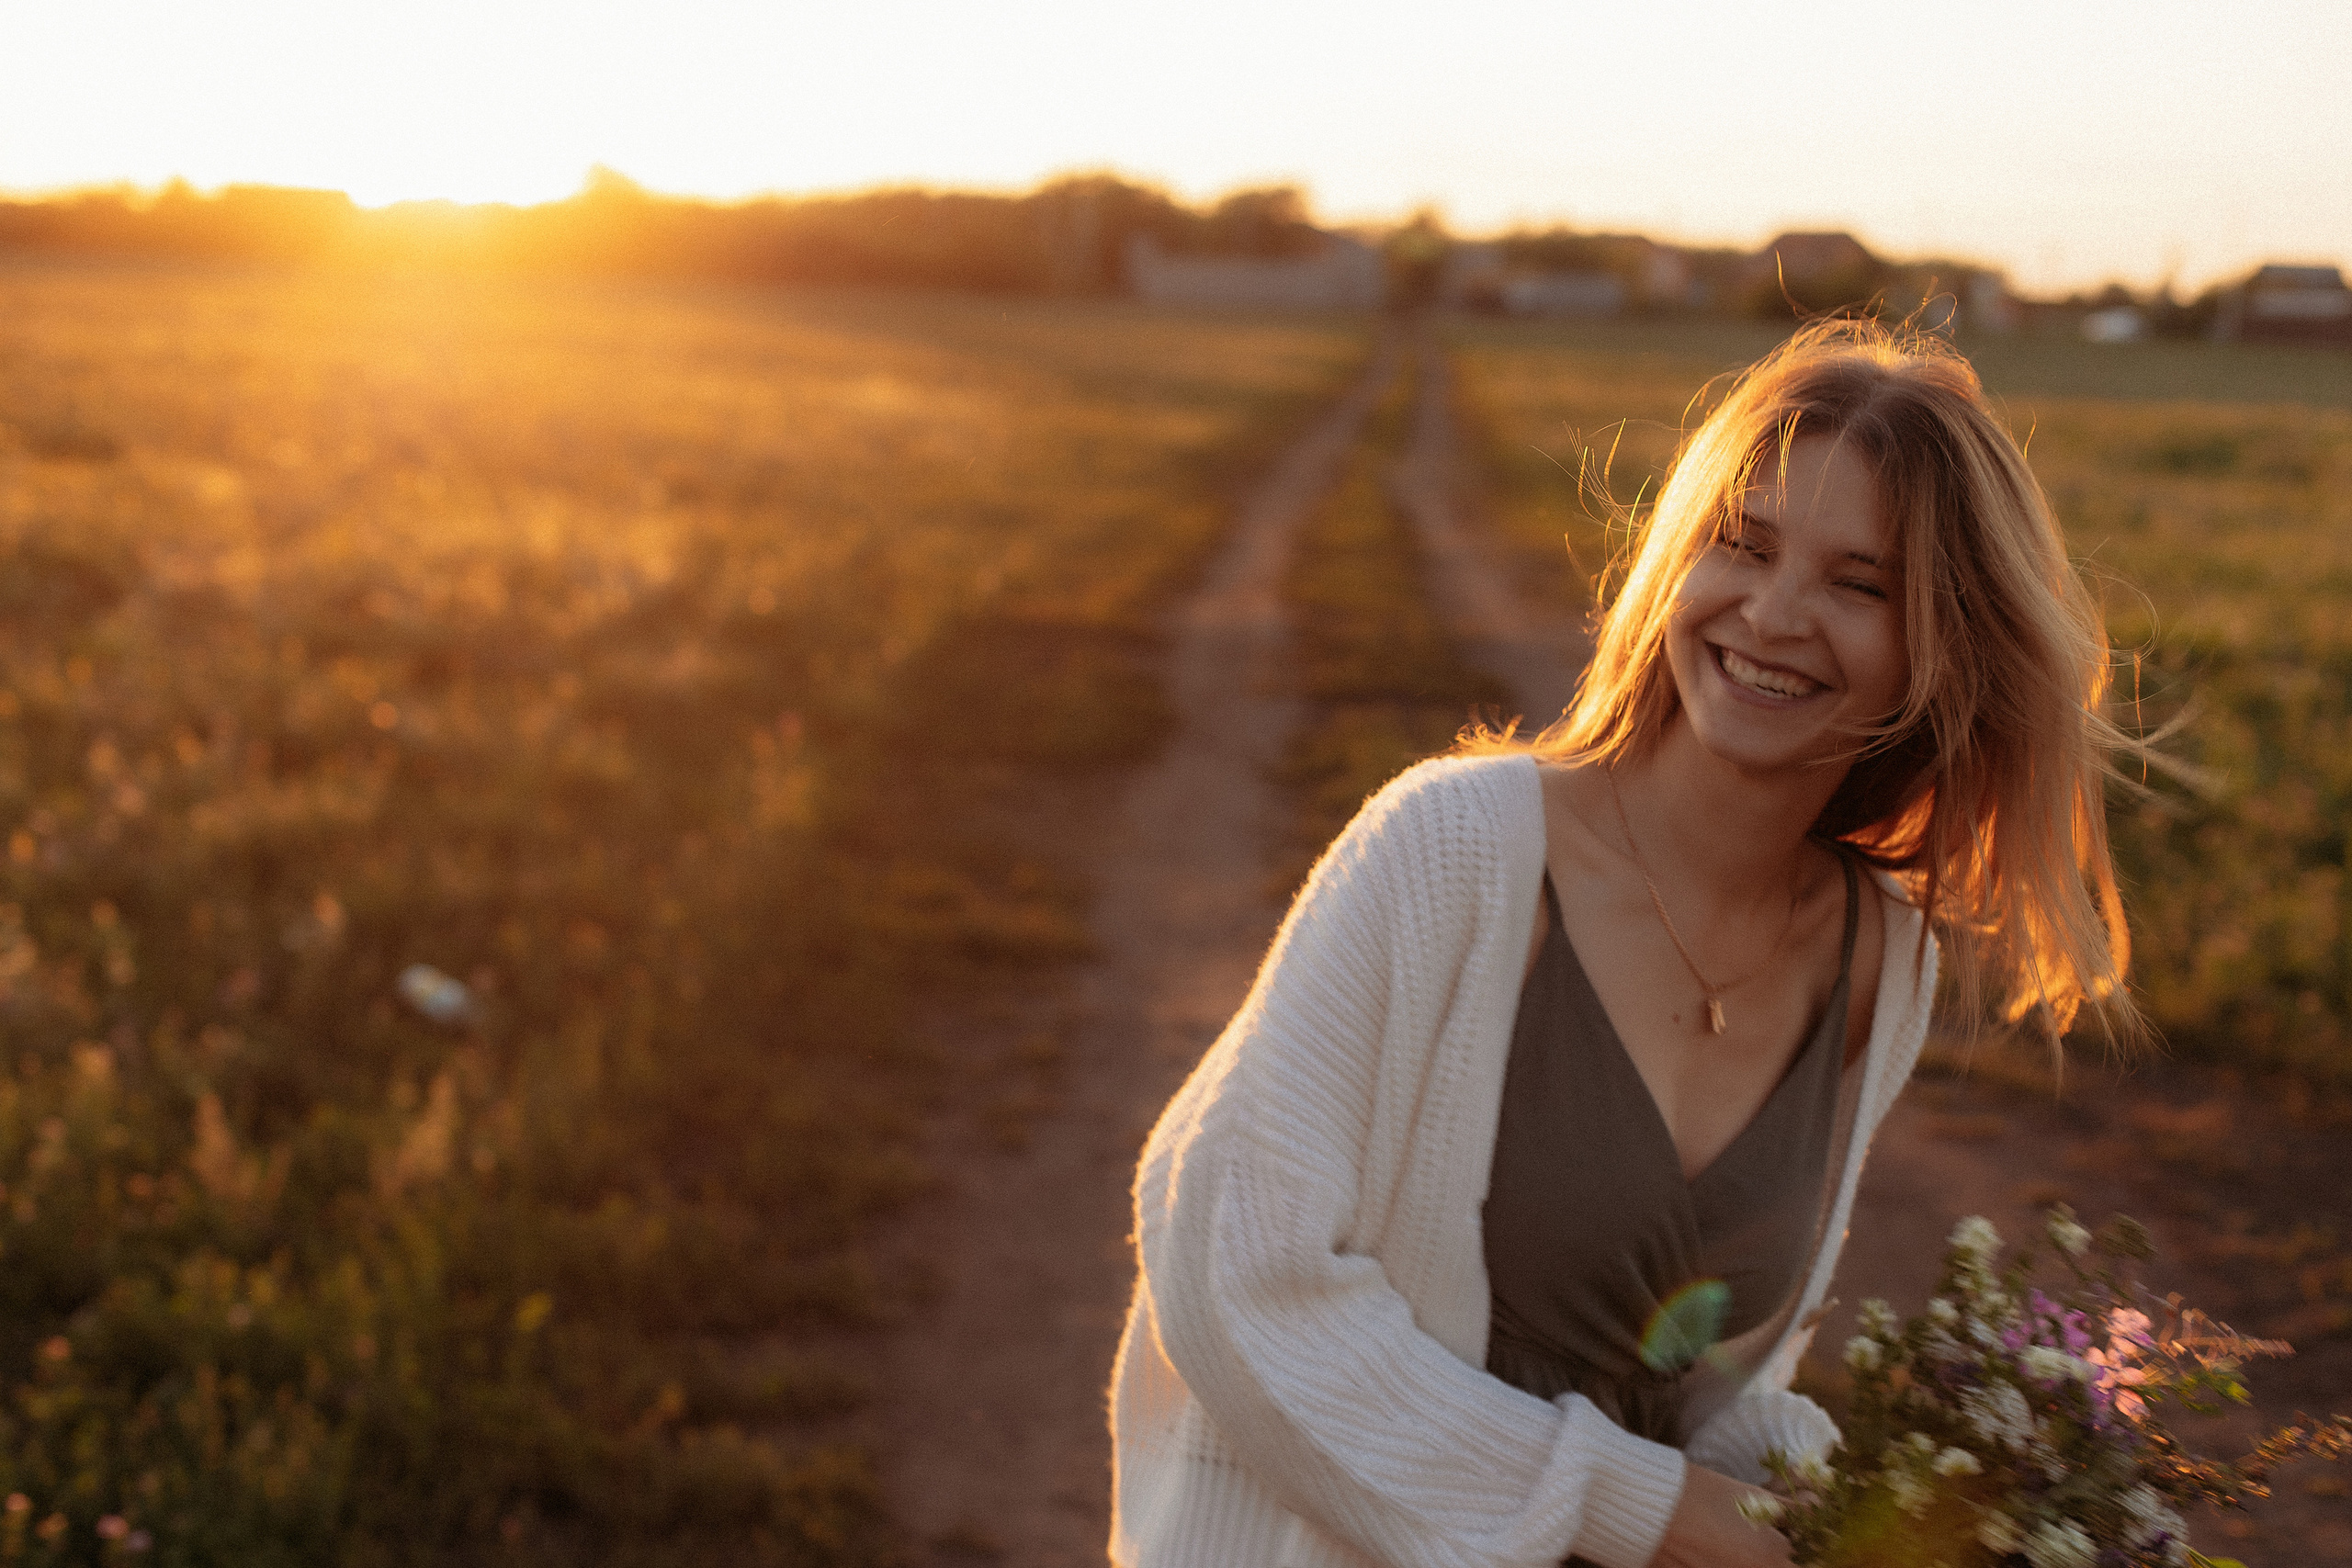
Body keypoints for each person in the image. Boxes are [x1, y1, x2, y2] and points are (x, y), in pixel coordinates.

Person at [1109, 320, 2144, 1568]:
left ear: (1943, 649)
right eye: (1743, 546)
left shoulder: (1884, 955)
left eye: (1859, 584)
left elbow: (1702, 1380)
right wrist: (1646, 1512)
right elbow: (1235, 1277)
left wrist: (1898, 1510)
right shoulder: (1451, 851)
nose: (1773, 614)